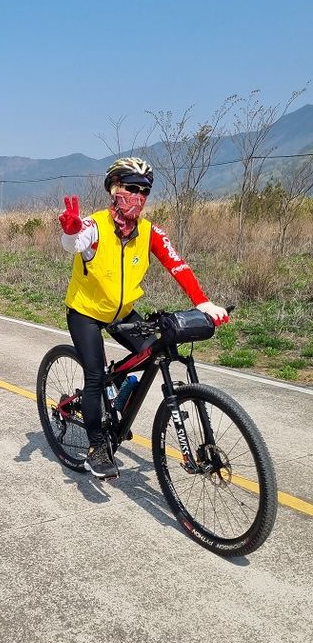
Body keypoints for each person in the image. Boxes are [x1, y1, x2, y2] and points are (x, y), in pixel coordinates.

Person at [58, 156, 229, 480]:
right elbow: (75, 242)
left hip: (122, 312)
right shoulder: (94, 226)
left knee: (152, 352)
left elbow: (177, 265)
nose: (137, 195)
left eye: (144, 190)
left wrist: (202, 302)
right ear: (113, 189)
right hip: (86, 312)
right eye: (130, 188)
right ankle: (97, 446)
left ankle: (117, 398)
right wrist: (69, 232)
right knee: (94, 375)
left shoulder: (150, 232)